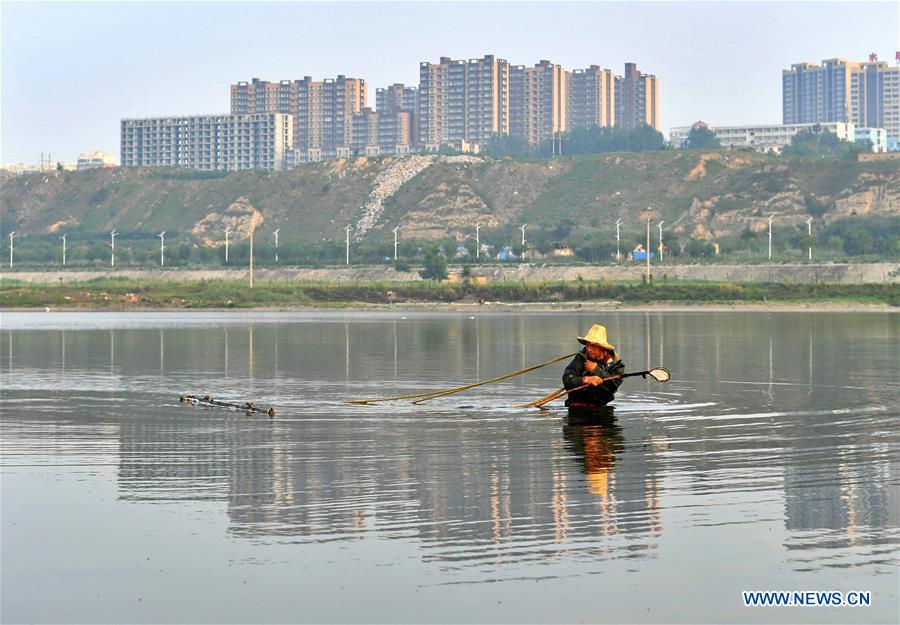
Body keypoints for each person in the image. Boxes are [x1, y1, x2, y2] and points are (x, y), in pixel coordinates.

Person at [562, 324, 625, 408]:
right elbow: (567, 380)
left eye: (593, 346)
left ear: (602, 348)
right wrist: (585, 380)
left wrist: (596, 370)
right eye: (587, 345)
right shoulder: (581, 358)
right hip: (576, 407)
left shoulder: (617, 366)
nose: (588, 349)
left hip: (601, 409)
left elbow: (612, 387)